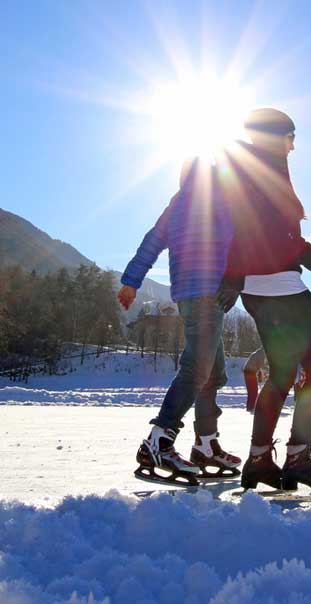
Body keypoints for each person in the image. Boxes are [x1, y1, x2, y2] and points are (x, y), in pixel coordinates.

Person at [216, 108, 311, 492]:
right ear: (273, 135)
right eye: (290, 136)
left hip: (259, 289)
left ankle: (260, 460)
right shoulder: (258, 169)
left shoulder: (257, 167)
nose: (294, 144)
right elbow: (240, 225)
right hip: (277, 285)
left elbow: (284, 238)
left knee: (281, 374)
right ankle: (296, 459)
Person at [118, 158, 241, 486]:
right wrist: (236, 281)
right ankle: (159, 441)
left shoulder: (176, 207)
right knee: (198, 370)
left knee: (213, 373)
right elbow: (240, 247)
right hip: (206, 296)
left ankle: (205, 444)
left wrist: (131, 281)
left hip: (192, 297)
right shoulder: (221, 206)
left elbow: (151, 243)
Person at [243, 347, 267, 413]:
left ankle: (250, 407)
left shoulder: (259, 352)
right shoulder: (262, 353)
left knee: (252, 390)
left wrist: (261, 375)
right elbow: (261, 366)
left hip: (249, 371)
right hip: (250, 371)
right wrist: (262, 376)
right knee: (253, 390)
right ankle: (251, 407)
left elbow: (259, 365)